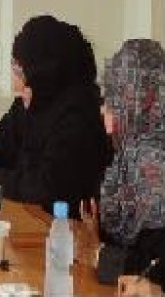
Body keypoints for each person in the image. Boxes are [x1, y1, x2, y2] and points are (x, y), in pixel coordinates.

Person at [0, 15, 111, 216]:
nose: (15, 82)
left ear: (42, 71)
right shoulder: (35, 98)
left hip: (63, 224)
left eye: (19, 70)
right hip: (28, 212)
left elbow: (45, 187)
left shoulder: (79, 114)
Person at [78, 39, 164, 296]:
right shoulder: (129, 152)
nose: (104, 110)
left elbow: (154, 270)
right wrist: (97, 237)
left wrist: (98, 253)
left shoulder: (153, 163)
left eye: (117, 99)